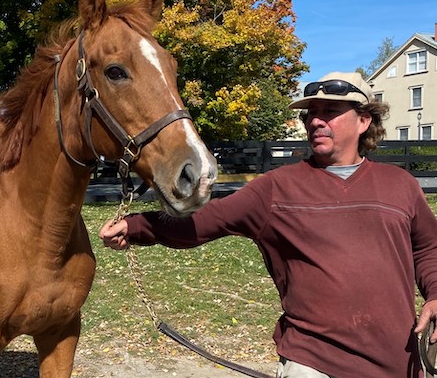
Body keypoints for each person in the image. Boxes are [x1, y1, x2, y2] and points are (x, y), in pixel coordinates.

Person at [100, 72, 437, 378]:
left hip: (398, 361)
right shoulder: (276, 188)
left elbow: (428, 248)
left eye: (330, 112)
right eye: (311, 114)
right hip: (315, 362)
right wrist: (135, 227)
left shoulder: (400, 184)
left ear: (364, 121)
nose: (317, 121)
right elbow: (204, 222)